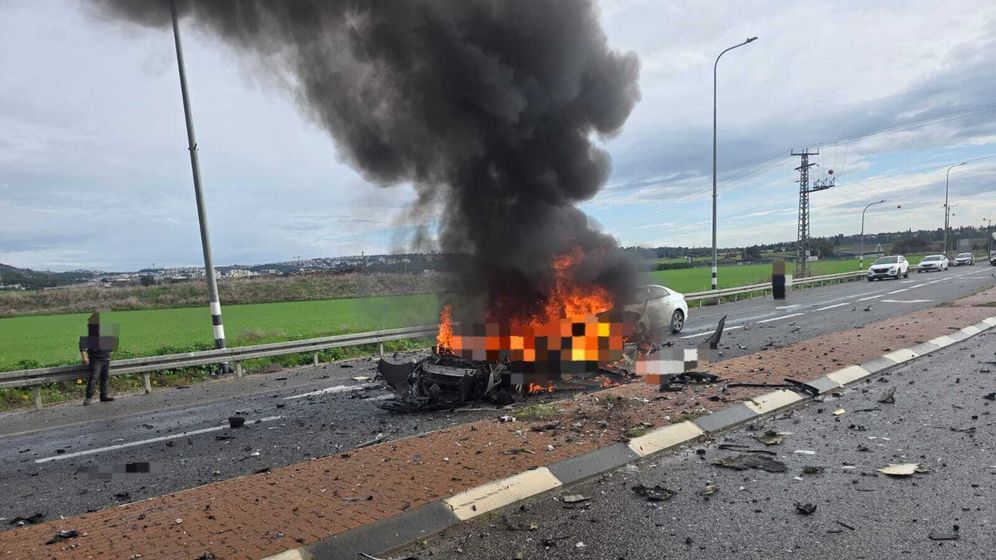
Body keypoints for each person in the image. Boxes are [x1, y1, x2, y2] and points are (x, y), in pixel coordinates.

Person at [79, 312, 118, 405]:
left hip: (106, 358)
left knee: (105, 378)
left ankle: (104, 396)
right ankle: (88, 397)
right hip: (96, 360)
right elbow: (82, 346)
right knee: (94, 378)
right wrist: (85, 358)